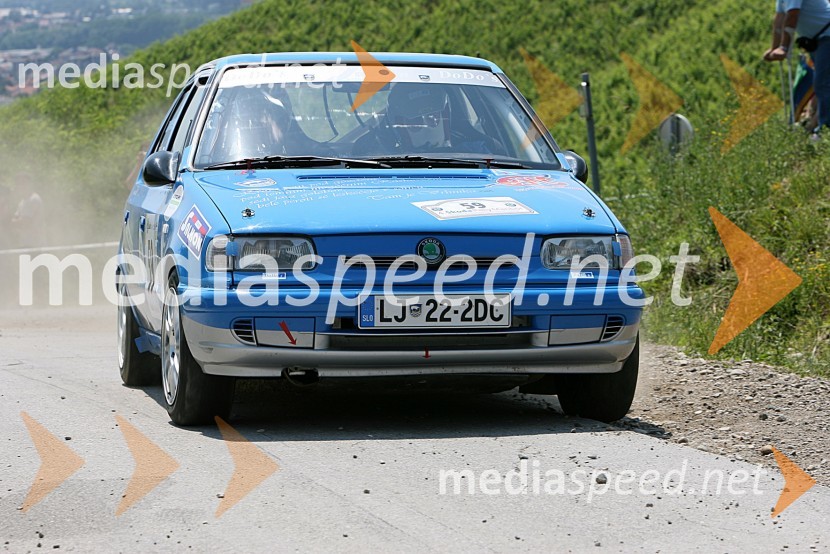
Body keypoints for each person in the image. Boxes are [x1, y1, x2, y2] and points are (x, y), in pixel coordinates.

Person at [765, 0, 830, 138]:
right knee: (822, 84)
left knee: (823, 84)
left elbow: (793, 15)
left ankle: (825, 130)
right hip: (818, 39)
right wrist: (774, 48)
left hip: (827, 36)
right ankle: (821, 127)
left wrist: (783, 47)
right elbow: (779, 20)